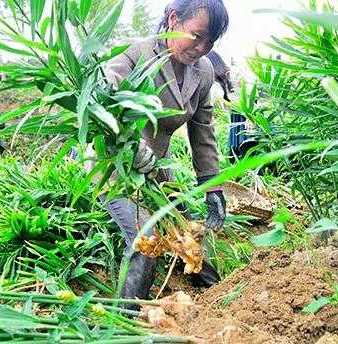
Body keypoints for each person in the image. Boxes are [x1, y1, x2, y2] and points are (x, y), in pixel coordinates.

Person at [104, 0, 229, 307]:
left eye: (210, 42)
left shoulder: (204, 72)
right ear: (174, 19)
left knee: (189, 232)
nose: (201, 47)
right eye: (196, 35)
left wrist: (213, 187)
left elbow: (203, 134)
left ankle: (220, 301)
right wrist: (131, 145)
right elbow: (105, 105)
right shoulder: (137, 55)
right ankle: (125, 319)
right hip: (118, 167)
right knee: (146, 237)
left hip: (158, 170)